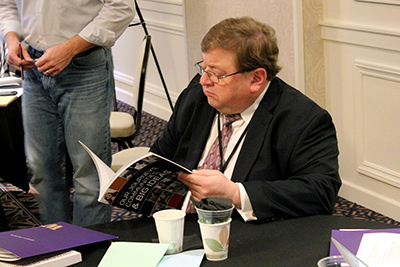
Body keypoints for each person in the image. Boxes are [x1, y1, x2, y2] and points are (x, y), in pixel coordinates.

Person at [150, 17, 341, 222]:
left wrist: (235, 193)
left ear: (256, 79)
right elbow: (160, 159)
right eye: (204, 69)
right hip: (176, 225)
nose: (204, 81)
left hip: (245, 236)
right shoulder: (195, 99)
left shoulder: (302, 119)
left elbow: (320, 192)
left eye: (217, 74)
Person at [0, 0, 135, 226]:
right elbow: (7, 4)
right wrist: (12, 38)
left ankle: (90, 250)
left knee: (89, 175)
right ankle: (59, 243)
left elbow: (121, 8)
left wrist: (70, 48)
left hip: (84, 67)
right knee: (42, 171)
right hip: (33, 69)